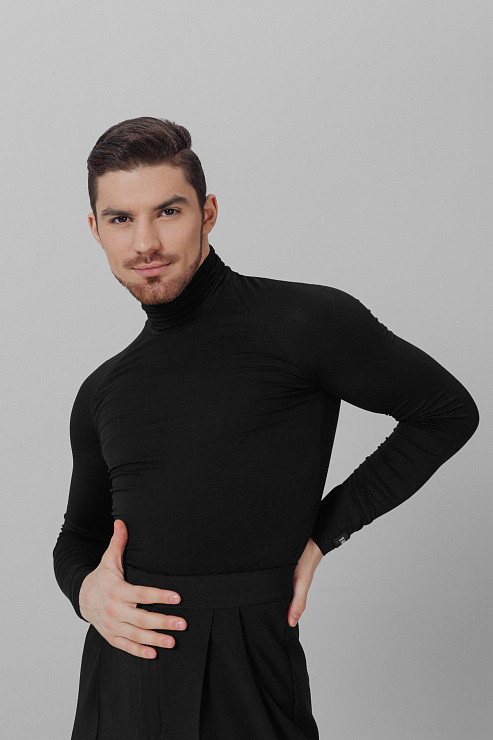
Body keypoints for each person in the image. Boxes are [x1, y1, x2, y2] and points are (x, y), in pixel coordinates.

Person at [53, 117, 479, 740]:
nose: (146, 242)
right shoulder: (101, 392)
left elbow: (446, 412)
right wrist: (87, 594)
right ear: (96, 230)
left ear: (208, 212)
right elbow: (78, 537)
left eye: (168, 211)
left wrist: (323, 535)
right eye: (121, 218)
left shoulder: (303, 322)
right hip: (118, 685)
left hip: (248, 676)